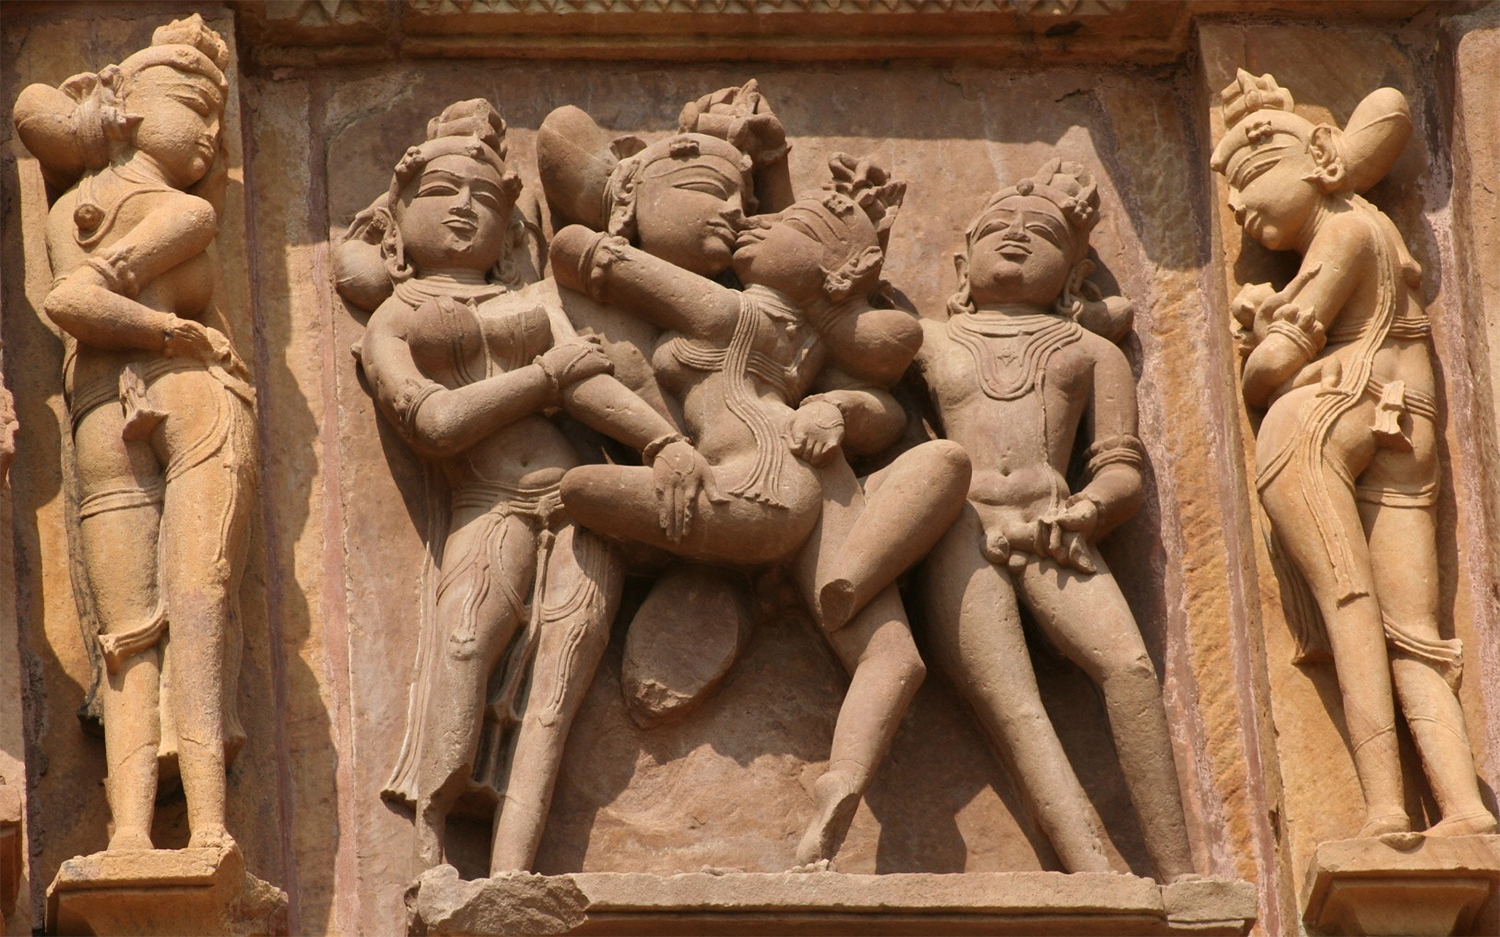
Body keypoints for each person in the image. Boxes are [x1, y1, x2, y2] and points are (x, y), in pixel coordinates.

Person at [548, 146, 970, 865]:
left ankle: (783, 578)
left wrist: (624, 202)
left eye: (784, 222)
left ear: (826, 272)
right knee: (893, 657)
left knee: (578, 491)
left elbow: (574, 251)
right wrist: (837, 404)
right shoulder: (810, 343)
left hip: (744, 489)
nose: (750, 218)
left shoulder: (726, 306)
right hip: (815, 479)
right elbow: (890, 413)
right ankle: (841, 776)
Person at [336, 99, 712, 873]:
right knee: (465, 644)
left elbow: (587, 386)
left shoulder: (531, 300)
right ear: (396, 221)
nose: (465, 208)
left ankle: (511, 872)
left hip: (581, 502)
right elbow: (435, 423)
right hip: (491, 506)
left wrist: (663, 440)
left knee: (557, 689)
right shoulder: (395, 322)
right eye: (442, 192)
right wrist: (541, 375)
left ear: (511, 226)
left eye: (485, 197)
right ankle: (432, 847)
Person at [1211, 71, 1495, 838]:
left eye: (1251, 179)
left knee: (1353, 610)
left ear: (1319, 162)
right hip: (1407, 425)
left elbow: (1270, 367)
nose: (1239, 208)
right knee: (1414, 628)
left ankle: (1387, 807)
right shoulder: (1373, 229)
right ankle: (1464, 807)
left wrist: (1264, 337)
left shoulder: (1341, 228)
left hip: (1324, 426)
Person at [914, 159, 1196, 881]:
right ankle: (1097, 875)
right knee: (1016, 706)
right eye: (997, 230)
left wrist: (1087, 510)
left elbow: (1120, 467)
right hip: (960, 532)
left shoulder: (1090, 351)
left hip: (1053, 527)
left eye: (1038, 233)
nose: (1015, 238)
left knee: (1130, 668)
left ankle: (1178, 871)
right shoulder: (927, 340)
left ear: (1072, 275)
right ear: (961, 261)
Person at [14, 14, 253, 852]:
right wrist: (173, 335)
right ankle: (181, 830)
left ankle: (153, 832)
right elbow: (73, 304)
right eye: (193, 100)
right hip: (173, 395)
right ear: (127, 106)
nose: (213, 128)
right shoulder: (179, 213)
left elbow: (69, 300)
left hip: (117, 415)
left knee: (157, 624)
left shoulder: (77, 209)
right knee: (168, 620)